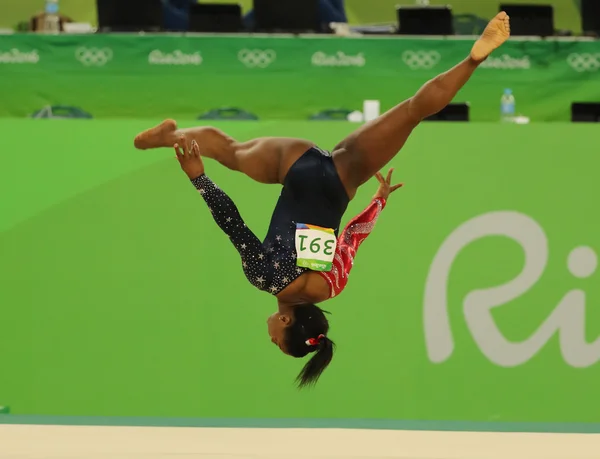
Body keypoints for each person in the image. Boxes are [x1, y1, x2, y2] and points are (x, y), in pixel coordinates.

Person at [133, 13, 511, 388]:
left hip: (343, 180)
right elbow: (231, 223)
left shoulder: (330, 286)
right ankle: (173, 137)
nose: (270, 337)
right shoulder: (266, 278)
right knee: (230, 151)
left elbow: (353, 237)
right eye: (277, 342)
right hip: (294, 167)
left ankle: (474, 58)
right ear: (286, 322)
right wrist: (198, 177)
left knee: (413, 111)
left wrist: (378, 201)